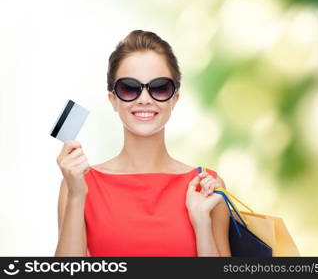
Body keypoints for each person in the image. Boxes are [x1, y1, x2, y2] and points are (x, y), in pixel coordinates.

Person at [54, 30, 231, 257]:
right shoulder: (78, 184)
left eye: (159, 87)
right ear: (113, 100)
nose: (145, 99)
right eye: (129, 88)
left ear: (174, 98)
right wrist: (77, 196)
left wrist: (202, 224)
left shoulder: (207, 185)